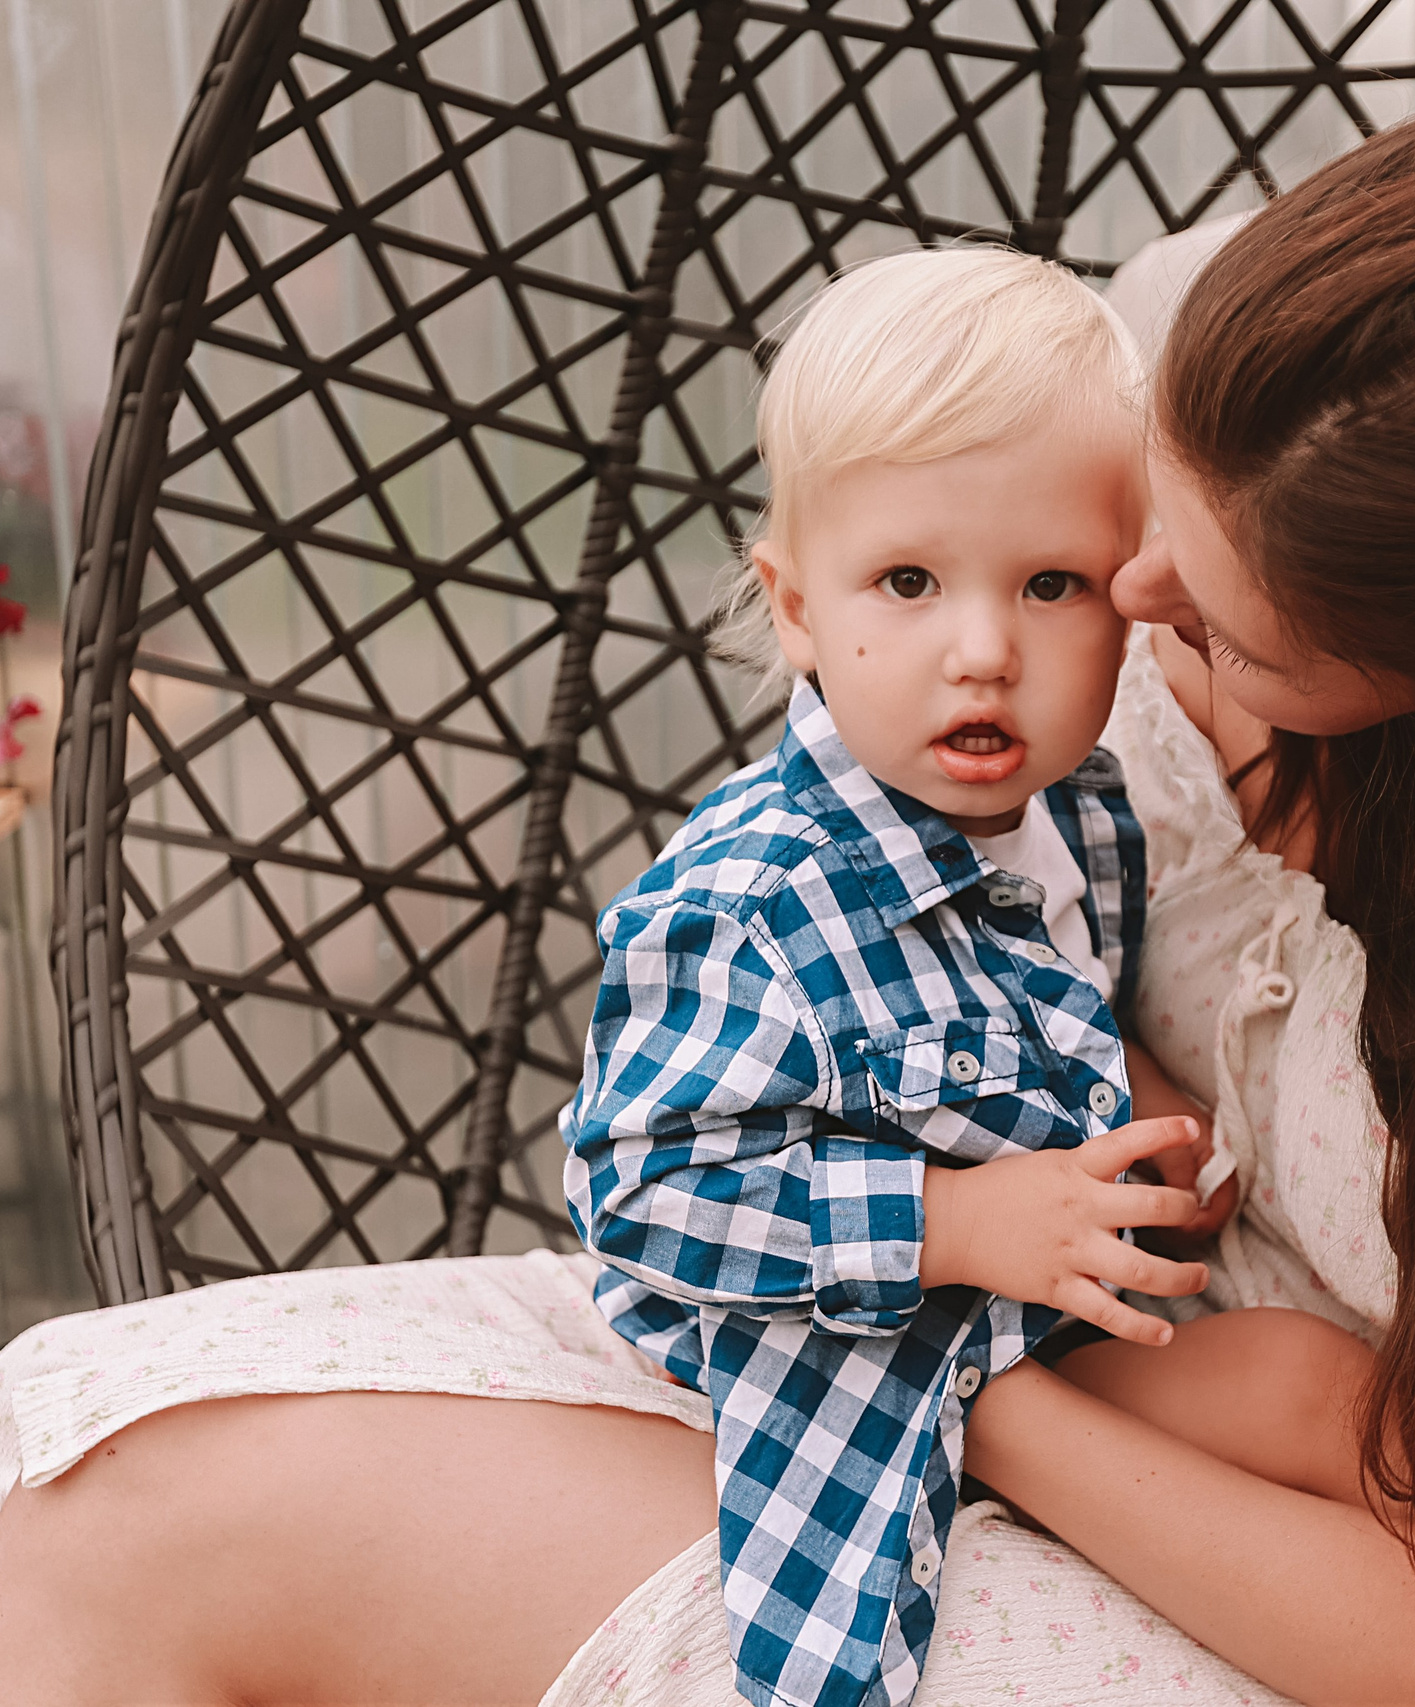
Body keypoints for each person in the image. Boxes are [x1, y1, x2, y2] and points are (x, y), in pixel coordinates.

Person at [0, 82, 1415, 1707]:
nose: (1111, 614)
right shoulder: (1259, 540)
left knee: (145, 1532)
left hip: (1296, 1579)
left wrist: (968, 1382)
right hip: (1019, 1329)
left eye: (1196, 617)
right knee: (41, 1416)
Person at [559, 245, 1226, 1707]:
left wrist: (1154, 1109)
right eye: (908, 583)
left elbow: (1068, 1003)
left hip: (1041, 1300)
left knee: (1322, 1395)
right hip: (832, 1326)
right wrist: (953, 1220)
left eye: (1051, 585)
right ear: (798, 607)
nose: (982, 652)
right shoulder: (756, 899)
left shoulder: (1090, 813)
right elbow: (637, 1188)